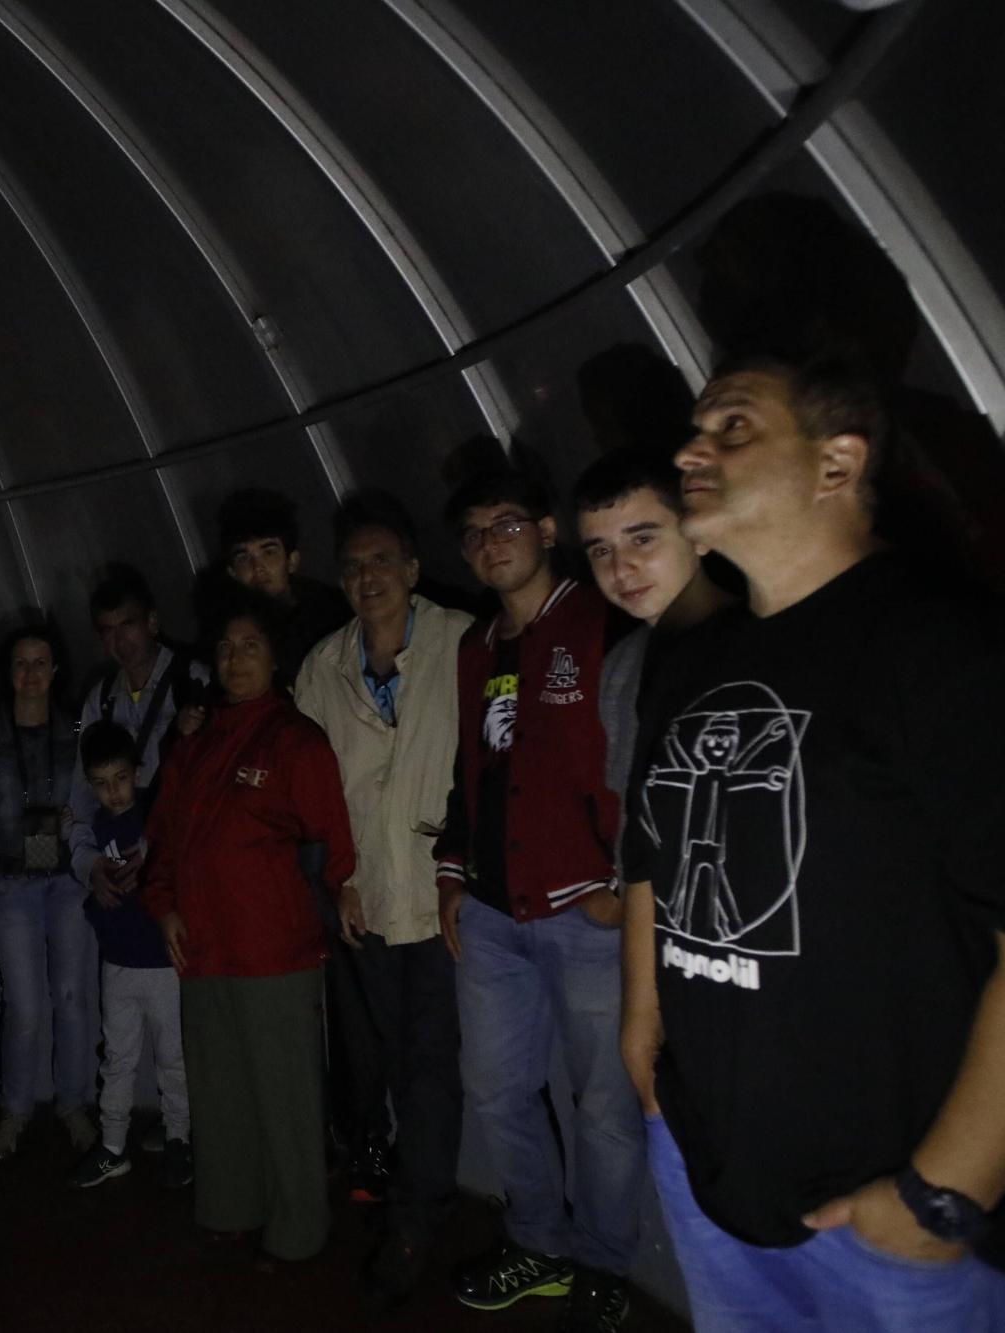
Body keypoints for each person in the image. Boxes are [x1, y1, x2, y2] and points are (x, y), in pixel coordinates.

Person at [621, 349, 1005, 1331]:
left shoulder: (954, 654)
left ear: (836, 464)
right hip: (712, 1176)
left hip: (895, 1222)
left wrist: (940, 1196)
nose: (688, 449)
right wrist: (641, 1027)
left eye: (730, 428)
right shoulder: (693, 662)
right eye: (692, 430)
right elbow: (652, 854)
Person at [432, 469, 644, 1331]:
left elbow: (643, 759)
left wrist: (621, 881)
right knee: (494, 1089)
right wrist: (452, 872)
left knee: (605, 1106)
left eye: (506, 522)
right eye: (475, 531)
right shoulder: (477, 646)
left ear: (548, 528)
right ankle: (540, 1247)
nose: (491, 542)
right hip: (491, 913)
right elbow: (472, 769)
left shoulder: (605, 621)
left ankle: (602, 1261)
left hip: (582, 911)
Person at [291, 492, 473, 1311]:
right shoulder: (322, 667)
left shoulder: (463, 643)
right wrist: (335, 882)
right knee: (390, 1064)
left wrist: (464, 874)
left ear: (413, 567)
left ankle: (414, 1225)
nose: (369, 577)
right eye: (354, 565)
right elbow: (311, 795)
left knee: (431, 1068)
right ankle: (408, 1197)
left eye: (382, 560)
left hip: (443, 898)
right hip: (364, 904)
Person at [142, 590, 359, 1267]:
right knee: (221, 1088)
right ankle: (231, 1206)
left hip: (275, 952)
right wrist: (164, 904)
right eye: (227, 647)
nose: (236, 659)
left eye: (252, 646)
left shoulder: (297, 739)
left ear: (275, 659)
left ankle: (298, 1228)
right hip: (204, 948)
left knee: (286, 1096)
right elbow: (166, 840)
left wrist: (336, 904)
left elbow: (333, 844)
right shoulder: (196, 745)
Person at [0, 623, 96, 1161]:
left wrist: (79, 827)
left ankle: (73, 1105)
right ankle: (15, 1111)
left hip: (66, 881)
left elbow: (103, 796)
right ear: (8, 672)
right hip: (14, 882)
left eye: (41, 662)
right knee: (25, 1006)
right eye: (21, 663)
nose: (31, 674)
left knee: (72, 999)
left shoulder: (80, 731)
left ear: (55, 669)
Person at [573, 448, 736, 841]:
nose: (620, 567)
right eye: (601, 550)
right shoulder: (622, 666)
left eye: (642, 539)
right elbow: (633, 817)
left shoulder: (757, 643)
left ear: (698, 533)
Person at [67, 720, 192, 1191]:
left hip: (163, 962)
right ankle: (113, 1146)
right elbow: (85, 865)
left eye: (120, 779)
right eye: (101, 784)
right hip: (117, 962)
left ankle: (179, 1137)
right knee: (116, 1059)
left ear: (137, 772)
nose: (114, 792)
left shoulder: (156, 817)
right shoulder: (95, 828)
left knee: (173, 1058)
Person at [66, 567, 210, 911]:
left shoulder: (192, 681)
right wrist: (88, 863)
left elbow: (209, 786)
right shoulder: (100, 699)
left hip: (185, 868)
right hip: (121, 868)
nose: (120, 641)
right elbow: (82, 794)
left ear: (152, 622)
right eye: (108, 631)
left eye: (127, 625)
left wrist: (158, 845)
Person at [218, 487, 354, 689]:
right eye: (244, 558)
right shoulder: (228, 627)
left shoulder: (331, 614)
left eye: (269, 552)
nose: (258, 567)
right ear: (232, 572)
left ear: (292, 561)